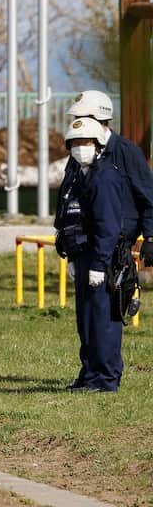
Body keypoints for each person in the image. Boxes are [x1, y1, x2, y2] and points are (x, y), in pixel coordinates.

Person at [55, 118, 125, 392]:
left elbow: (108, 227)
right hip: (81, 255)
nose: (79, 147)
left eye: (85, 142)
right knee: (85, 320)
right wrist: (71, 258)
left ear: (97, 145)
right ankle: (89, 373)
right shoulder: (75, 174)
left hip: (101, 259)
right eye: (74, 143)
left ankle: (106, 378)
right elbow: (68, 216)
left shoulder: (105, 176)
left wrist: (99, 264)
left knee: (102, 320)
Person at [66, 90, 153, 265]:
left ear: (99, 118)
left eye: (82, 116)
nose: (78, 122)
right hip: (84, 244)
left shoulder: (126, 151)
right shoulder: (78, 153)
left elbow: (148, 197)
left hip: (117, 246)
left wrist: (150, 237)